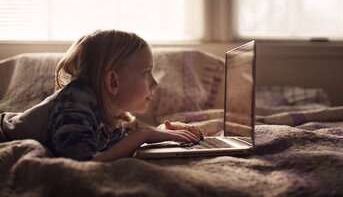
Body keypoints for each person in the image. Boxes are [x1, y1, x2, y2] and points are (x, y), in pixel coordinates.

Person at [0, 29, 203, 161]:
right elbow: (80, 162)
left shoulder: (106, 114)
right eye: (146, 73)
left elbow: (117, 147)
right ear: (113, 81)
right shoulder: (76, 102)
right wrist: (144, 135)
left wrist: (160, 133)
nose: (155, 83)